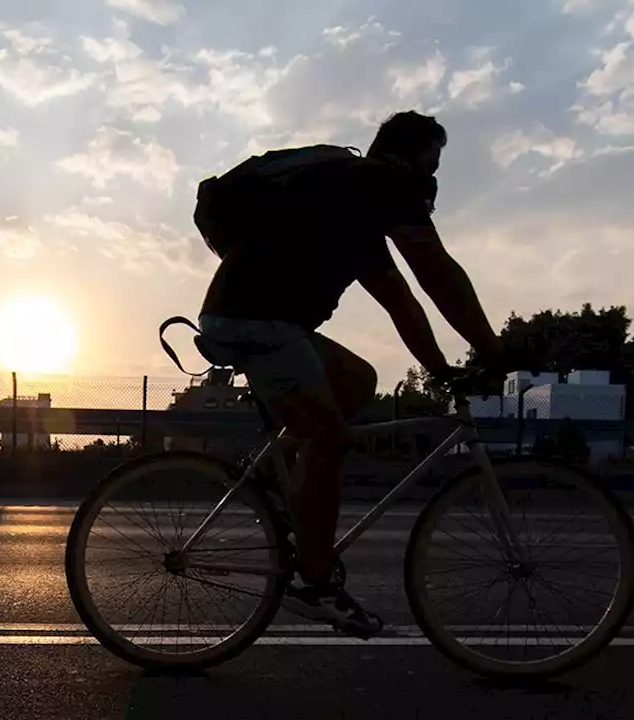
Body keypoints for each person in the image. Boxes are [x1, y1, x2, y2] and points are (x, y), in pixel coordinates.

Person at [191, 111, 508, 638]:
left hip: (271, 322)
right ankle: (314, 585)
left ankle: (277, 479)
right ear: (406, 156)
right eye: (433, 164)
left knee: (359, 381)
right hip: (255, 323)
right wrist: (493, 350)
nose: (432, 182)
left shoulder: (350, 200)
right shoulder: (382, 184)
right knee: (331, 437)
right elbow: (435, 272)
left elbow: (402, 303)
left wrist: (442, 371)